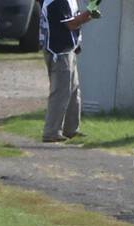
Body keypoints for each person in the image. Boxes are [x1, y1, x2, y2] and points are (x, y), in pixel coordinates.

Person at [40, 0, 95, 143]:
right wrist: (89, 12)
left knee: (73, 91)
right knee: (60, 93)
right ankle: (51, 132)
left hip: (69, 50)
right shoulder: (57, 2)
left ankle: (71, 129)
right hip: (58, 52)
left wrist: (89, 14)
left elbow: (74, 22)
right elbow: (71, 24)